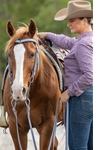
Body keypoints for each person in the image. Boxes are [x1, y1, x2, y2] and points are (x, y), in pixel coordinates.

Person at [37, 0, 93, 150]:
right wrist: (47, 34)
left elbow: (89, 76)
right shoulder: (88, 40)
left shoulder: (82, 44)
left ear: (85, 20)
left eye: (72, 20)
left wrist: (68, 93)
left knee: (77, 146)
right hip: (91, 98)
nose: (69, 24)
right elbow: (68, 42)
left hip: (81, 99)